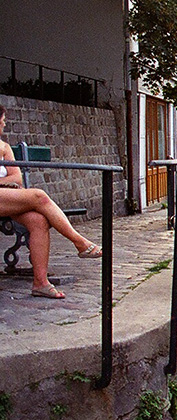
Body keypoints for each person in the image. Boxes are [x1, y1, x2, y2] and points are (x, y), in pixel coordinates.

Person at [0, 105, 102, 299]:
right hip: (5, 196)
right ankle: (79, 242)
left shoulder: (4, 147)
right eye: (2, 121)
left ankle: (40, 283)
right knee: (39, 196)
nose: (4, 124)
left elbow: (17, 179)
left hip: (6, 198)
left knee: (38, 220)